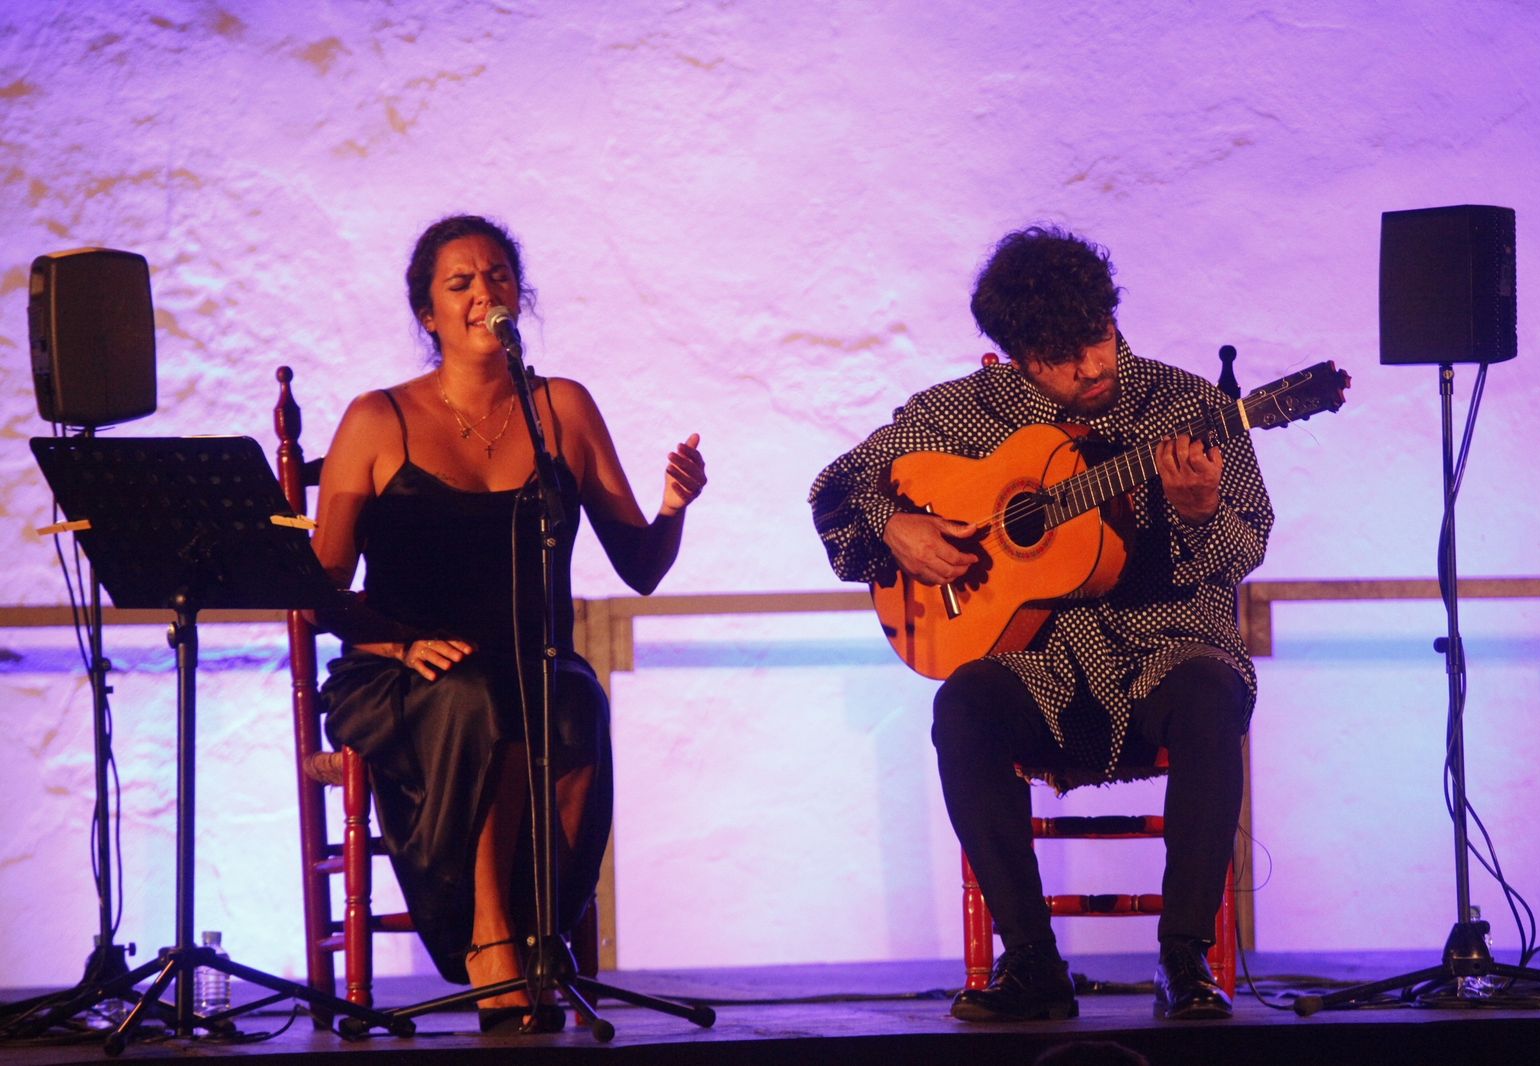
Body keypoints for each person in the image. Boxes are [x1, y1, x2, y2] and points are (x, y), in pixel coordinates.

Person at [808, 226, 1271, 1022]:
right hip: (1039, 670)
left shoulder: (1186, 404)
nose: (1094, 365)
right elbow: (835, 488)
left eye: (1099, 335)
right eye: (1064, 355)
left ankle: (1185, 961)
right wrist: (894, 525)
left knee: (1212, 691)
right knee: (962, 707)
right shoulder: (959, 413)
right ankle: (1031, 967)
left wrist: (1199, 512)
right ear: (1020, 356)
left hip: (1163, 653)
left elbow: (1249, 537)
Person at [311, 214, 706, 1031]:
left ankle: (542, 935)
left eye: (497, 279)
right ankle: (493, 943)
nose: (483, 294)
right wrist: (398, 643)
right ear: (428, 314)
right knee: (479, 698)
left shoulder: (560, 408)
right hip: (402, 669)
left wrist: (673, 508)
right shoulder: (376, 419)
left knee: (576, 702)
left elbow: (640, 564)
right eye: (460, 284)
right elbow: (319, 588)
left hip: (532, 659)